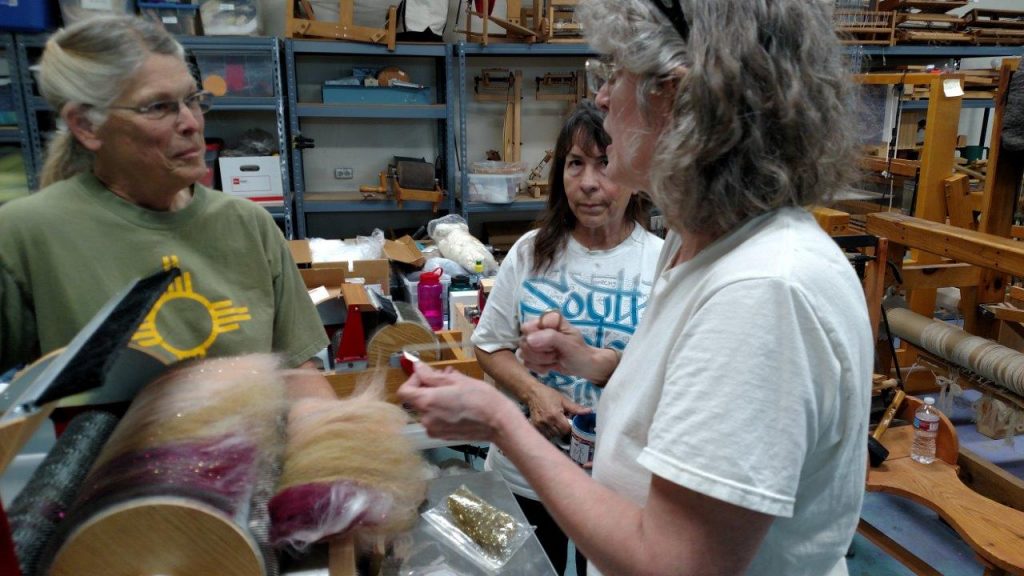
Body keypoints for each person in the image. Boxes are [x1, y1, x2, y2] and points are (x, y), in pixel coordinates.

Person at [399, 1, 872, 575]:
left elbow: (672, 563)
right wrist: (591, 362)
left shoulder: (764, 291)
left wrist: (498, 422)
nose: (601, 97)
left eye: (615, 75)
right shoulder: (696, 244)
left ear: (676, 97)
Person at [0, 16, 333, 402]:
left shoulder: (247, 225)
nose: (191, 123)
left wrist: (330, 447)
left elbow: (298, 372)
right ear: (86, 125)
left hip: (251, 457)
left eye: (193, 100)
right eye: (159, 107)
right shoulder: (26, 234)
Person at [471, 100, 662, 575]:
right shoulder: (530, 254)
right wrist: (534, 392)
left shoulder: (661, 264)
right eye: (575, 164)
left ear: (634, 173)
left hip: (618, 484)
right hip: (523, 472)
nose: (589, 182)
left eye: (605, 163)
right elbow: (489, 344)